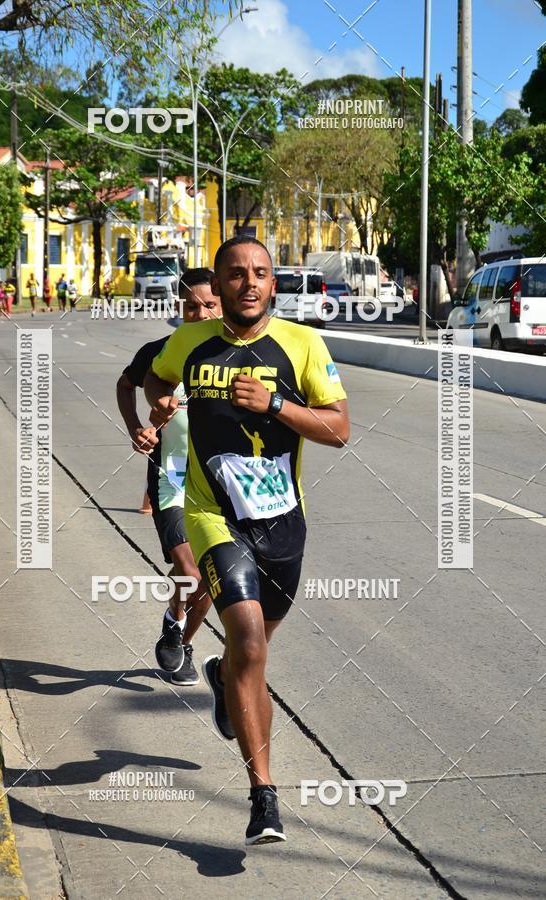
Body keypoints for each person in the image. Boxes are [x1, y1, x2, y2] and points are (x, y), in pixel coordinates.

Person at [144, 235, 350, 845]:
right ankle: (264, 797)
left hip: (283, 522)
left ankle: (222, 679)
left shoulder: (303, 344)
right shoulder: (189, 342)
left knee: (250, 651)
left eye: (261, 273)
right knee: (251, 644)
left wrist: (278, 403)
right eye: (237, 274)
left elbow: (338, 429)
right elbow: (155, 380)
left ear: (273, 284)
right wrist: (159, 409)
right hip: (214, 516)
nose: (251, 283)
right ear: (221, 282)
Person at [117, 268, 222, 685]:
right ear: (179, 307)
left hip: (219, 487)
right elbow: (125, 386)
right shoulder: (159, 351)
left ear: (222, 303)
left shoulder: (234, 354)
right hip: (172, 478)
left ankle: (178, 633)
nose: (199, 313)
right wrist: (137, 430)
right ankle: (175, 623)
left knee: (213, 579)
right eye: (190, 306)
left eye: (208, 305)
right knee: (191, 571)